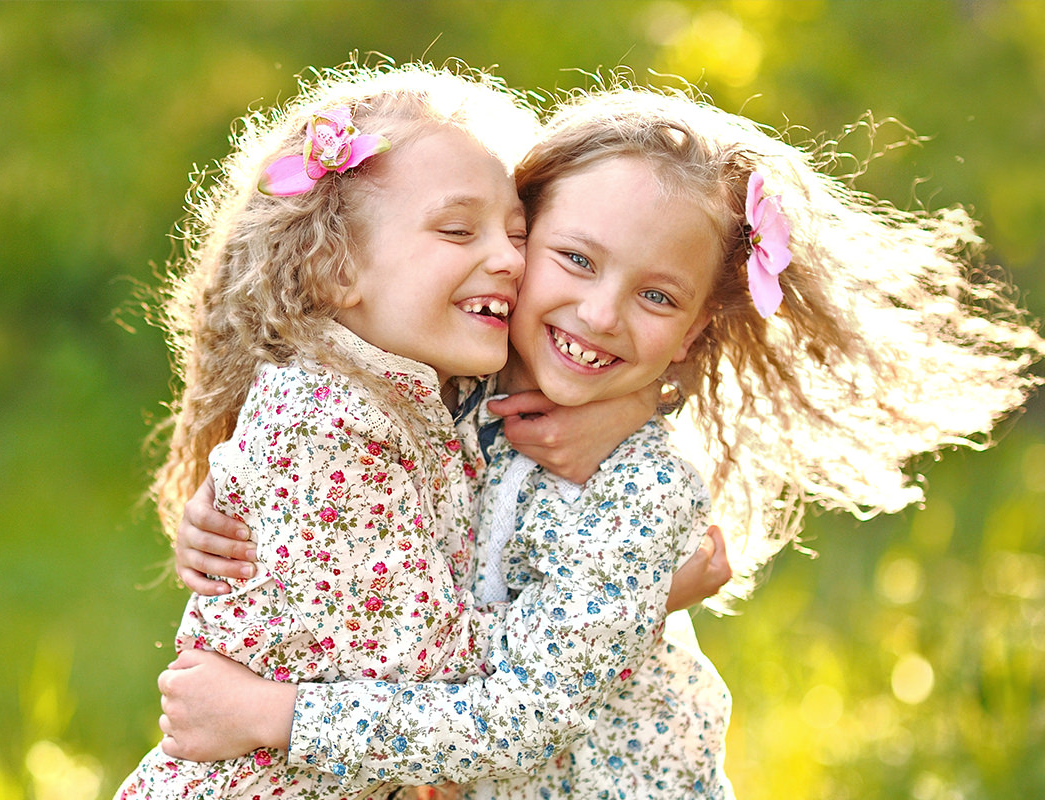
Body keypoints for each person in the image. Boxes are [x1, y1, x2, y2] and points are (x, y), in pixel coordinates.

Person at [157, 84, 1044, 799]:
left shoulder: (638, 487)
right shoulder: (449, 385)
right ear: (527, 239)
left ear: (693, 331)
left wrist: (273, 716)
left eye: (658, 297)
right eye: (573, 259)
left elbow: (519, 707)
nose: (600, 312)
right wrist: (236, 491)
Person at [115, 61, 549, 799]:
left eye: (518, 234)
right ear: (333, 266)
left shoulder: (430, 397)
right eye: (457, 228)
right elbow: (429, 667)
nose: (510, 258)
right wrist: (608, 600)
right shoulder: (327, 426)